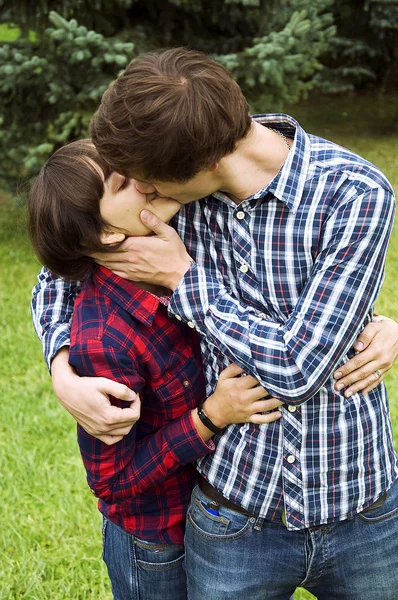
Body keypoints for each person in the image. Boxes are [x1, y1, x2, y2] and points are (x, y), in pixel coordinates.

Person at [31, 48, 398, 599]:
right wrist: (62, 368)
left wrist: (185, 280)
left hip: (363, 506)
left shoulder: (354, 193)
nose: (143, 193)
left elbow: (299, 369)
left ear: (198, 166)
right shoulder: (184, 191)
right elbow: (57, 272)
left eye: (143, 182)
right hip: (233, 513)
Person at [28, 139, 283, 600]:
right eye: (124, 182)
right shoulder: (106, 339)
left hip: (218, 514)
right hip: (157, 540)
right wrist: (210, 417)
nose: (144, 178)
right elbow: (112, 481)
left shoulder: (183, 225)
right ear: (107, 235)